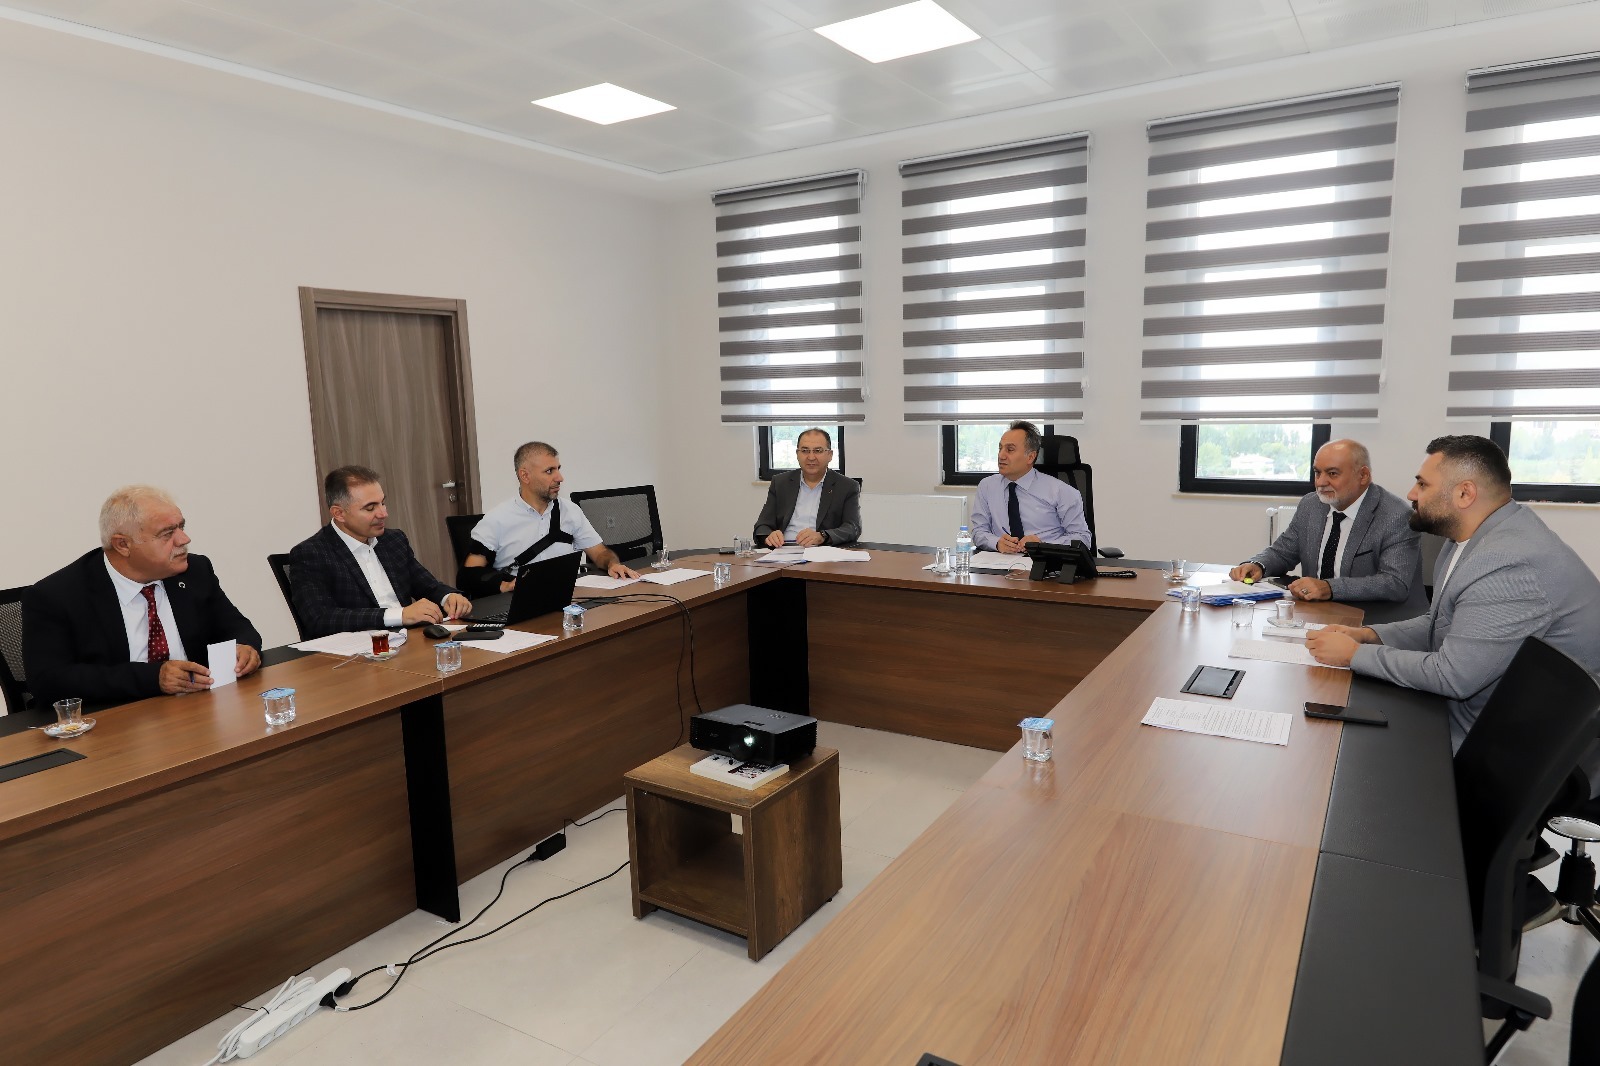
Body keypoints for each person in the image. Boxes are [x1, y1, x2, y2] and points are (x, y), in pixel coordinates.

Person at [1307, 435, 1600, 762]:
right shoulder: (1471, 537)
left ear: (1464, 493)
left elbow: (1452, 676)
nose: (1411, 494)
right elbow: (1440, 622)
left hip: (1511, 746)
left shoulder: (1507, 563)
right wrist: (1369, 635)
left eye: (1422, 484)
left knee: (1350, 753)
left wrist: (1354, 655)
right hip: (1486, 708)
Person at [24, 485, 262, 710]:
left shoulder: (195, 571)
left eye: (181, 526)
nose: (184, 539)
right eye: (167, 533)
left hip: (196, 711)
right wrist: (153, 678)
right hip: (116, 720)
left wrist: (245, 647)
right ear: (123, 545)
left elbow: (237, 627)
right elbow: (48, 681)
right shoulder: (57, 596)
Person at [1228, 439, 1424, 607]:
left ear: (1363, 475)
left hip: (1374, 619)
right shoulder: (1311, 505)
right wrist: (1258, 565)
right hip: (1317, 612)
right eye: (1317, 473)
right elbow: (1283, 551)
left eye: (1332, 474)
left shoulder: (1396, 516)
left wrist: (1330, 588)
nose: (1320, 482)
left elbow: (1394, 584)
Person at [289, 466, 470, 638]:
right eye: (370, 508)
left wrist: (448, 597)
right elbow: (320, 618)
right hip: (360, 650)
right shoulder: (311, 554)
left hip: (409, 639)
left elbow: (427, 586)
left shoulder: (393, 540)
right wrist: (399, 615)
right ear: (339, 513)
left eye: (383, 503)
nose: (383, 513)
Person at [463, 442, 638, 595]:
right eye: (549, 471)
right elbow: (469, 575)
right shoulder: (496, 520)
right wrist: (505, 586)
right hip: (517, 600)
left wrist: (612, 564)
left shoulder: (570, 511)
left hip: (566, 596)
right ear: (525, 476)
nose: (559, 478)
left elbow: (600, 553)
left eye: (558, 469)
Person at [969, 420, 1090, 554]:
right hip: (1000, 561)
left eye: (1010, 449)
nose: (1001, 455)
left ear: (1030, 457)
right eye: (1000, 448)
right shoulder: (987, 486)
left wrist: (1043, 545)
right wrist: (996, 543)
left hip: (1046, 562)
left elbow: (1082, 538)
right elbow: (978, 531)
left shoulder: (1061, 491)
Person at [752, 428, 862, 548]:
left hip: (823, 552)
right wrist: (769, 535)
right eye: (805, 451)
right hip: (783, 549)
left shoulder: (847, 486)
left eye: (818, 451)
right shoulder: (780, 483)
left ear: (830, 455)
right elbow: (762, 526)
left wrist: (822, 536)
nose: (811, 457)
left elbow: (853, 528)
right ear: (797, 454)